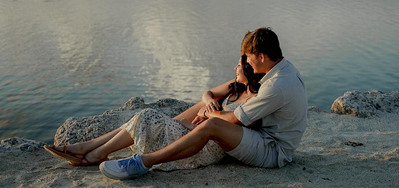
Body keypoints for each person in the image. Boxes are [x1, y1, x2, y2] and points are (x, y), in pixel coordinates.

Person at [99, 27, 308, 180]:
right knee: (206, 114)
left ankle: (143, 162)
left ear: (262, 56)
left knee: (213, 123)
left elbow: (233, 119)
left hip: (272, 150)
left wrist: (207, 114)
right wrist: (207, 106)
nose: (248, 65)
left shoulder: (277, 85)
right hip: (266, 138)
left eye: (249, 58)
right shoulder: (283, 69)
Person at [44, 55, 264, 171]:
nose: (235, 69)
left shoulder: (255, 101)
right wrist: (208, 103)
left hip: (205, 146)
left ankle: (91, 152)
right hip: (195, 132)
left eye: (239, 66)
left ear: (249, 70)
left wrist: (204, 118)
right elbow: (207, 93)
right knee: (144, 116)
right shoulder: (235, 86)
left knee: (146, 116)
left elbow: (227, 131)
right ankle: (89, 149)